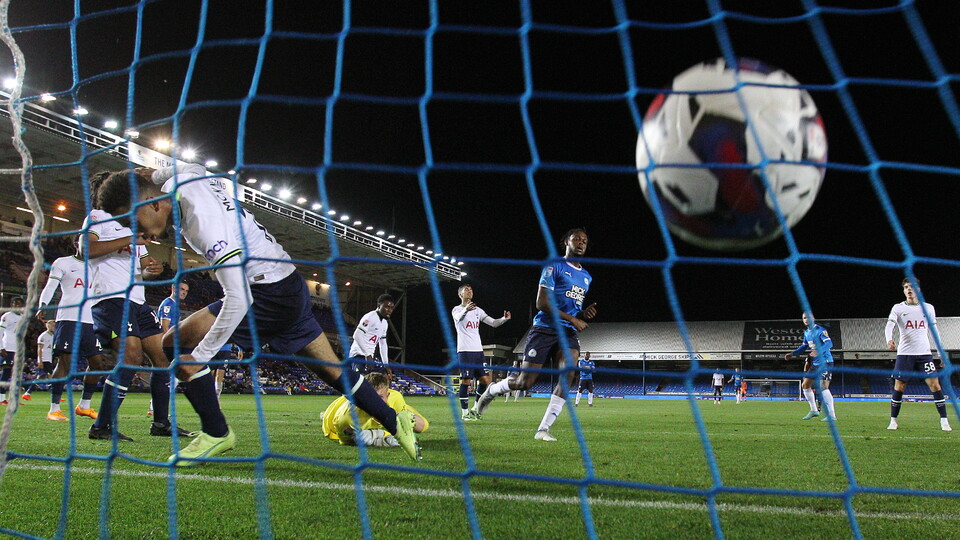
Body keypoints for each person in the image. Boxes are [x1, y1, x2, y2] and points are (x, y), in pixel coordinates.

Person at [105, 163, 419, 463]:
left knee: (174, 346)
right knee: (333, 372)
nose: (135, 232)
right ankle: (394, 420)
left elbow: (238, 298)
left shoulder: (204, 224)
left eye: (133, 221)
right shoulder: (181, 185)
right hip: (287, 283)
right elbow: (196, 169)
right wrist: (151, 173)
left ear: (153, 203)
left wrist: (201, 354)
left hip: (265, 294)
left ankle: (216, 433)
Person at [81, 180, 190, 441]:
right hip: (110, 298)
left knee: (163, 359)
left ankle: (161, 424)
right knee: (131, 357)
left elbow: (143, 266)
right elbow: (86, 249)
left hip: (138, 301)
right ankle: (101, 427)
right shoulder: (97, 217)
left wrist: (152, 269)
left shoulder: (135, 222)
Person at [472, 228, 597, 441]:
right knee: (525, 382)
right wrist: (573, 318)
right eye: (576, 238)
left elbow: (573, 308)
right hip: (545, 329)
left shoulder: (586, 277)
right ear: (566, 241)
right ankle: (493, 389)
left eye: (585, 240)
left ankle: (543, 429)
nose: (581, 242)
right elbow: (542, 303)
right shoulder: (554, 266)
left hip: (566, 332)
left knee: (570, 372)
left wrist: (582, 313)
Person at [36, 243, 108, 421]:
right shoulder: (63, 262)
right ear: (76, 243)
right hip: (69, 318)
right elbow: (51, 285)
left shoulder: (98, 265)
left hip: (92, 321)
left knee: (97, 364)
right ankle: (54, 409)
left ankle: (84, 406)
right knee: (65, 363)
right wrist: (43, 304)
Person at [884, 278, 951, 431]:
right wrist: (889, 339)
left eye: (912, 287)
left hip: (924, 354)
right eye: (906, 287)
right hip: (905, 354)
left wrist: (941, 354)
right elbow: (889, 325)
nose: (909, 289)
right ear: (903, 290)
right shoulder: (898, 308)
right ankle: (893, 420)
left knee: (935, 386)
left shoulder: (928, 308)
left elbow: (935, 333)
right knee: (899, 387)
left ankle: (944, 421)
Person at [321, 372, 428, 447]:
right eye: (371, 397)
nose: (374, 402)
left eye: (380, 397)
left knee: (421, 426)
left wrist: (378, 434)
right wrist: (378, 438)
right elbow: (345, 441)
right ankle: (324, 414)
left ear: (388, 395)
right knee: (362, 439)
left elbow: (421, 426)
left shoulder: (395, 398)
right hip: (333, 418)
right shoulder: (347, 419)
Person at [452, 284, 510, 420]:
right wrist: (466, 309)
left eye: (471, 289)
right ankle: (464, 413)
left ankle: (475, 408)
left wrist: (504, 319)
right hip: (465, 350)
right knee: (466, 381)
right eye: (466, 290)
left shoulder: (478, 310)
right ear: (460, 294)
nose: (470, 291)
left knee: (485, 380)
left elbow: (493, 323)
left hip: (478, 350)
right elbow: (458, 317)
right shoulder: (457, 309)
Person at [784, 312, 836, 422]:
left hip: (825, 362)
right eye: (804, 318)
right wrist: (792, 354)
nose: (806, 319)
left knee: (823, 387)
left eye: (808, 317)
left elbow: (829, 344)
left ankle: (832, 415)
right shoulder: (807, 333)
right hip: (815, 363)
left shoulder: (821, 330)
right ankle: (814, 410)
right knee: (805, 385)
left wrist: (818, 351)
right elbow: (803, 347)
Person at [148, 282, 189, 417]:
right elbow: (164, 327)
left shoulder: (175, 306)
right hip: (168, 345)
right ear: (173, 288)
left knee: (172, 377)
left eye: (186, 291)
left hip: (172, 344)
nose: (184, 292)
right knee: (172, 377)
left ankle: (155, 406)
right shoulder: (168, 304)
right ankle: (156, 406)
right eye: (182, 289)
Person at [348, 294, 395, 376]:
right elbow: (357, 335)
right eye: (387, 307)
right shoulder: (370, 317)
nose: (390, 310)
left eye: (391, 308)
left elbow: (383, 344)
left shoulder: (385, 323)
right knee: (362, 382)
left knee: (383, 377)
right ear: (379, 306)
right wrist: (368, 355)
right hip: (358, 355)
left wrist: (386, 365)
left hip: (369, 358)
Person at [0, 297, 24, 405]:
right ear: (12, 304)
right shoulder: (7, 316)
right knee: (6, 373)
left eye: (20, 304)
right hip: (7, 348)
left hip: (18, 349)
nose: (18, 306)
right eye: (16, 303)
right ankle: (1, 398)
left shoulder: (23, 317)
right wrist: (1, 347)